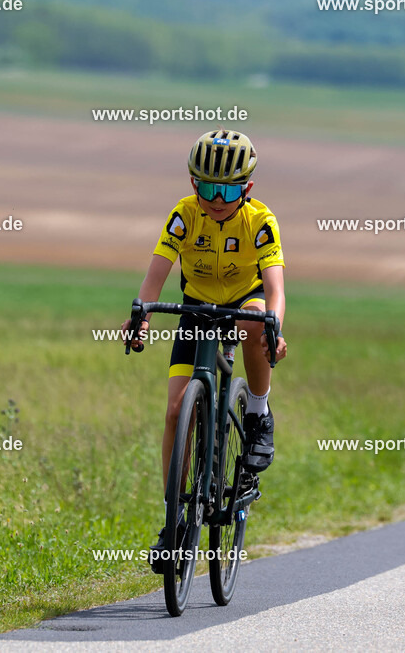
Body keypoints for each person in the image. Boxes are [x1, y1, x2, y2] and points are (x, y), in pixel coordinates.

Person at [121, 129, 287, 571]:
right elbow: (156, 274)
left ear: (246, 188)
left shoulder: (260, 220)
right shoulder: (184, 215)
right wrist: (142, 317)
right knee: (176, 413)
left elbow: (275, 290)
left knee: (256, 326)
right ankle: (174, 521)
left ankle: (257, 411)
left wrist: (276, 329)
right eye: (206, 187)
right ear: (194, 184)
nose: (216, 198)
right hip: (196, 307)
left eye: (228, 189)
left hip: (245, 301)